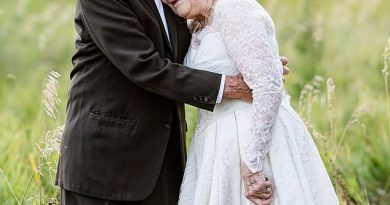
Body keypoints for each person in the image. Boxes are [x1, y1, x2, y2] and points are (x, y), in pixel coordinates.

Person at [55, 0, 288, 204]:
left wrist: (256, 64)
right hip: (106, 164)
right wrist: (229, 86)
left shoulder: (177, 6)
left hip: (163, 161)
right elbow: (144, 65)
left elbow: (192, 59)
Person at [162, 0, 340, 204]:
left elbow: (268, 87)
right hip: (215, 145)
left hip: (250, 138)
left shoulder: (233, 8)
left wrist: (253, 164)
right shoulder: (195, 25)